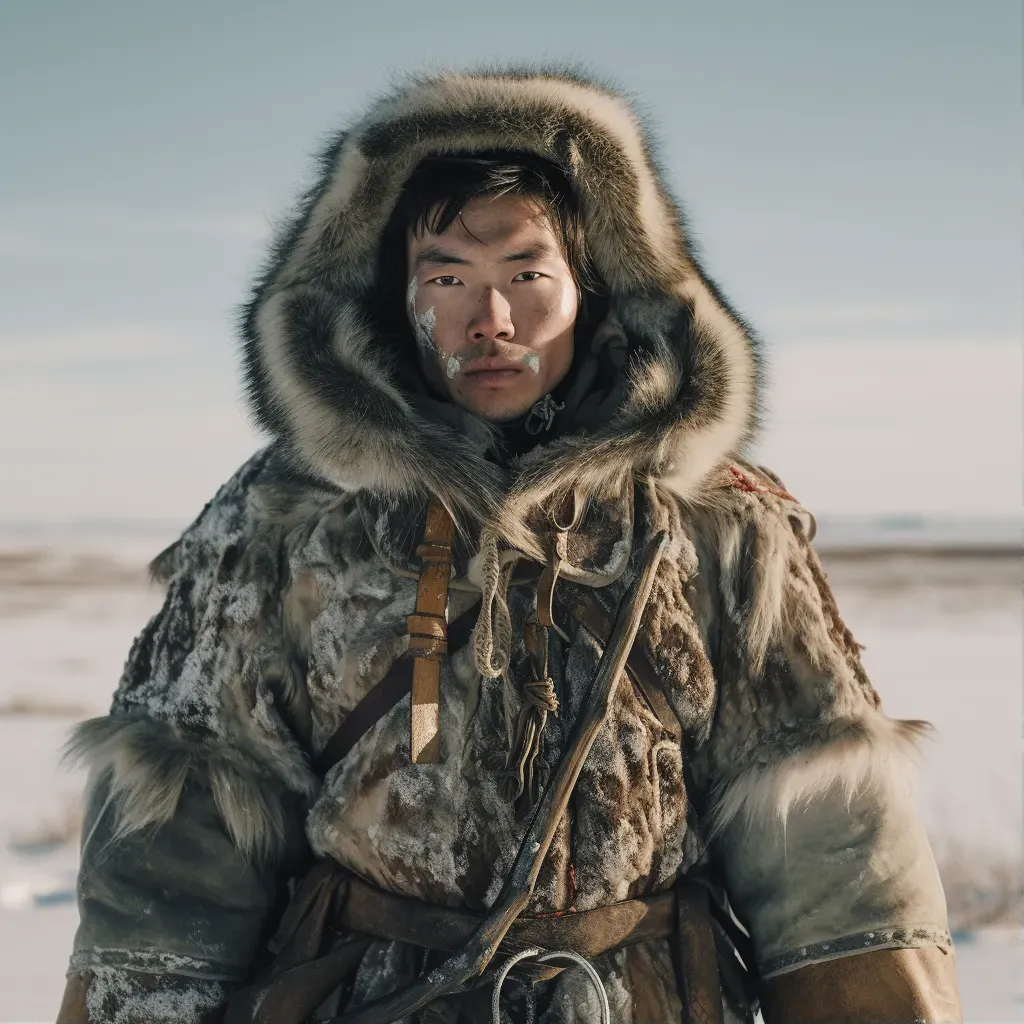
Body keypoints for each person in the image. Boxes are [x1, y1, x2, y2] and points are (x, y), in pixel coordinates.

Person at [57, 69, 961, 1023]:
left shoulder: (720, 524)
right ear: (388, 299)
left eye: (527, 276)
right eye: (446, 279)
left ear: (593, 288)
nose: (490, 321)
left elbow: (835, 864)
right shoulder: (279, 523)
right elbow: (175, 863)